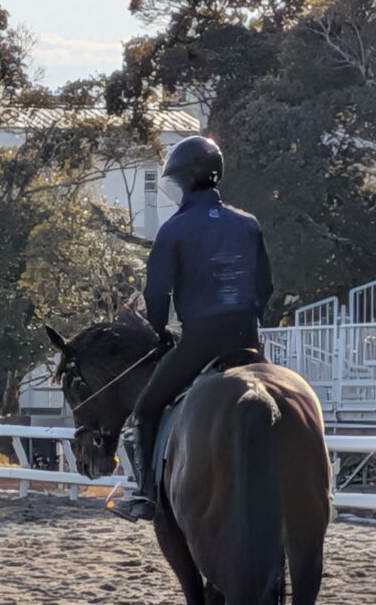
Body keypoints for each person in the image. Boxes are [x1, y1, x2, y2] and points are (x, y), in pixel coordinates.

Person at [110, 135, 274, 522]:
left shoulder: (175, 229)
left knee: (146, 411)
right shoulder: (248, 224)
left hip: (200, 341)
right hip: (247, 341)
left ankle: (147, 495)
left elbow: (156, 291)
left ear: (185, 181)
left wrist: (159, 331)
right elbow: (265, 287)